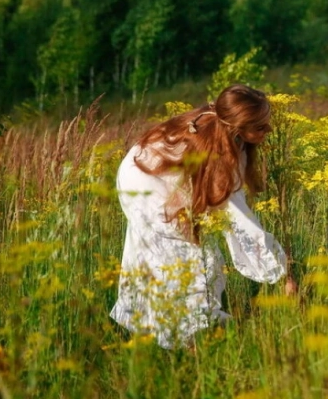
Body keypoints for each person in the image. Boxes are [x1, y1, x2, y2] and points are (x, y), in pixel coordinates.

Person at [110, 84, 293, 349]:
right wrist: (282, 274)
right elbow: (240, 223)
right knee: (193, 258)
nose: (270, 130)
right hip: (145, 185)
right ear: (237, 127)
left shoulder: (223, 127)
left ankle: (171, 328)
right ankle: (190, 337)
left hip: (147, 172)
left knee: (176, 255)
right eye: (261, 127)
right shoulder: (218, 153)